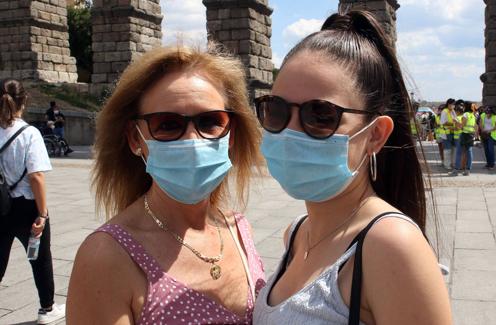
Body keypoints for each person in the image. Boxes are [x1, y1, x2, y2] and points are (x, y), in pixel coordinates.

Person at [252, 10, 452, 325]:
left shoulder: (392, 246)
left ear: (375, 135)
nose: (291, 132)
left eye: (320, 115)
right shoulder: (296, 233)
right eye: (275, 111)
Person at [66, 46, 266, 324]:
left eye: (210, 121)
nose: (193, 141)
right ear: (136, 140)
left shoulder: (239, 229)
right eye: (167, 124)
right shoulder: (106, 258)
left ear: (231, 133)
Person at [0, 79, 65, 324]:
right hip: (27, 207)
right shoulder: (29, 133)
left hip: (0, 206)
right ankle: (47, 309)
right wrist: (43, 214)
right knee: (39, 258)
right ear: (23, 102)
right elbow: (36, 176)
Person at [451, 101, 477, 176]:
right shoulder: (472, 115)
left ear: (466, 107)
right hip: (471, 135)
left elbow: (461, 126)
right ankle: (468, 170)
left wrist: (456, 121)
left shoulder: (465, 114)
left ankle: (456, 170)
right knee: (469, 152)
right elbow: (475, 126)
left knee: (459, 152)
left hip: (464, 134)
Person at [440, 98, 457, 169]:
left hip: (453, 132)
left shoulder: (453, 111)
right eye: (452, 104)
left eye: (454, 104)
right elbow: (443, 122)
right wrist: (453, 123)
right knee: (447, 149)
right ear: (449, 104)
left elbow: (456, 119)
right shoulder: (445, 111)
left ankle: (452, 163)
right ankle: (447, 164)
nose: (453, 106)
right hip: (446, 133)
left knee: (453, 149)